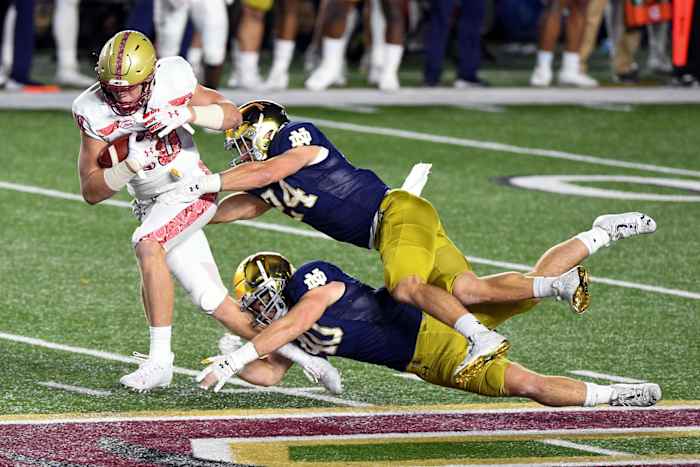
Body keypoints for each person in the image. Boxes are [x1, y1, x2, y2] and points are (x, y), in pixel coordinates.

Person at [156, 100, 656, 384]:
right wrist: (191, 214)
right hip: (395, 226)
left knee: (406, 287)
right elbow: (245, 203)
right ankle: (599, 233)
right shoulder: (263, 180)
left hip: (394, 215)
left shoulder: (296, 138)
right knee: (476, 291)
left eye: (245, 141)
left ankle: (484, 336)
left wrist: (205, 182)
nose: (241, 151)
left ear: (265, 131)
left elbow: (271, 171)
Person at [73, 31, 341, 392]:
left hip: (192, 189)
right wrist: (128, 167)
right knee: (212, 300)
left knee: (148, 244)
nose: (121, 96)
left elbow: (232, 116)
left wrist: (188, 112)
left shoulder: (172, 78)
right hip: (151, 204)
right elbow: (91, 191)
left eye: (130, 87)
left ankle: (160, 362)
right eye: (113, 87)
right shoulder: (90, 109)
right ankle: (307, 356)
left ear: (150, 77)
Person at [196, 250, 661, 412]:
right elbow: (271, 374)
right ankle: (617, 395)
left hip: (431, 327)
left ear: (280, 286)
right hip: (423, 359)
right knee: (527, 377)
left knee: (525, 371)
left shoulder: (311, 284)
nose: (259, 310)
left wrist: (237, 357)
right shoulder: (282, 331)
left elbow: (298, 320)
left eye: (260, 298)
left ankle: (596, 239)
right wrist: (231, 358)